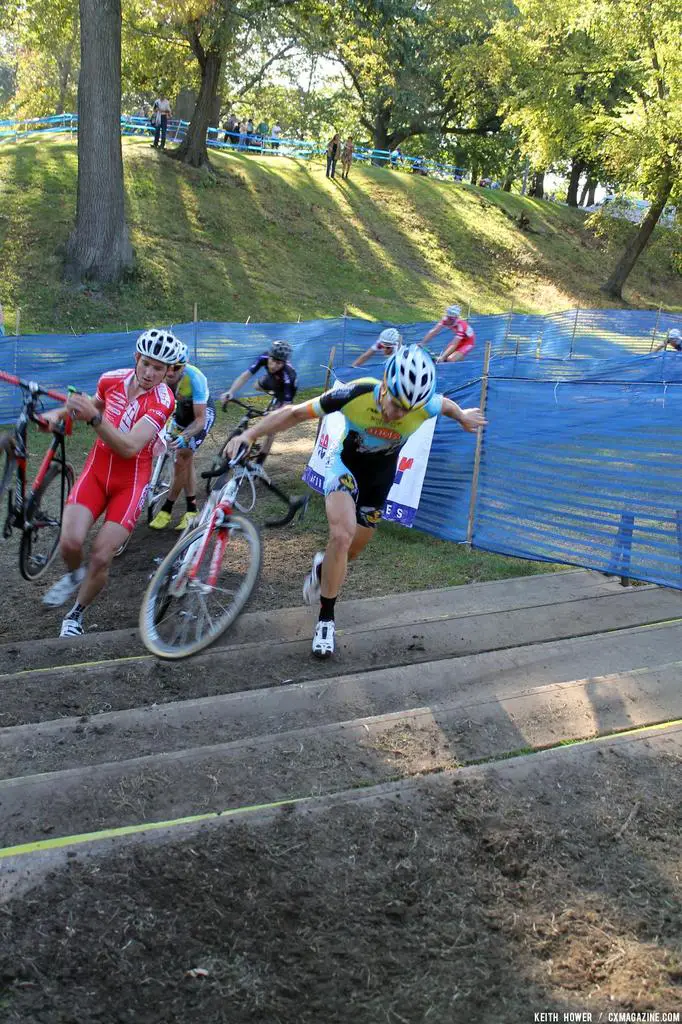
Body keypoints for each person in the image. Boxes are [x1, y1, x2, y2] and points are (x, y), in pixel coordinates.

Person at [225, 346, 486, 658]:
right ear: (385, 384)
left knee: (350, 553)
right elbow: (295, 413)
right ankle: (326, 619)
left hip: (379, 482)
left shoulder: (423, 405)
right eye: (396, 403)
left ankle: (323, 568)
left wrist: (462, 417)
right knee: (342, 534)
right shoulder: (357, 393)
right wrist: (250, 434)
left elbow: (444, 404)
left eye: (408, 409)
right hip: (344, 469)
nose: (399, 414)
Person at [40, 329, 181, 638]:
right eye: (145, 363)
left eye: (158, 368)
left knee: (102, 556)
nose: (149, 373)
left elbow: (129, 446)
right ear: (136, 358)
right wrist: (58, 413)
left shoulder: (163, 400)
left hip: (130, 481)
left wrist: (93, 418)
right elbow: (91, 406)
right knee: (70, 543)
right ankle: (78, 574)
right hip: (97, 470)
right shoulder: (111, 379)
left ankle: (75, 614)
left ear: (168, 371)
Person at [149, 343, 216, 531]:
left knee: (182, 456)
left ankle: (167, 509)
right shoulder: (160, 373)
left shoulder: (195, 378)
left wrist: (184, 436)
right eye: (167, 366)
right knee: (186, 460)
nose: (170, 372)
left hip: (200, 413)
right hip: (181, 410)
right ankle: (192, 509)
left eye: (176, 367)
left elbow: (201, 420)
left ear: (184, 366)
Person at [219, 340, 297, 464]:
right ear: (269, 356)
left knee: (272, 430)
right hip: (272, 380)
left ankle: (260, 463)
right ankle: (272, 394)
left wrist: (276, 416)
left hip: (284, 391)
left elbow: (286, 408)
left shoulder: (289, 374)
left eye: (279, 363)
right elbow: (246, 375)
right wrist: (231, 392)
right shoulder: (264, 357)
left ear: (284, 362)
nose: (274, 365)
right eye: (272, 360)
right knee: (256, 385)